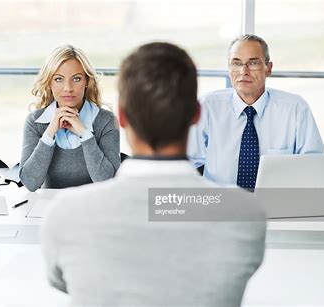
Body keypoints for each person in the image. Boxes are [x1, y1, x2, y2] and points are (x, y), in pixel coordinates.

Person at [41, 42, 266, 306]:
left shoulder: (67, 214)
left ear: (122, 117)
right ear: (196, 114)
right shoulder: (243, 212)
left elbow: (63, 281)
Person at [188, 34, 324, 189]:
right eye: (236, 63)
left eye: (253, 63)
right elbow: (188, 163)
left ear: (269, 68)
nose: (243, 71)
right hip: (219, 204)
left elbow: (315, 167)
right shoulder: (207, 107)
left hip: (279, 204)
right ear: (228, 68)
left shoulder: (295, 109)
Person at [19, 45, 120, 191]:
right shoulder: (35, 122)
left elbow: (107, 183)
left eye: (76, 79)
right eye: (59, 79)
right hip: (49, 208)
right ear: (49, 83)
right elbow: (30, 183)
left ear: (86, 81)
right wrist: (50, 131)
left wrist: (85, 133)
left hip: (94, 206)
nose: (68, 88)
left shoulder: (106, 121)